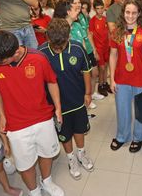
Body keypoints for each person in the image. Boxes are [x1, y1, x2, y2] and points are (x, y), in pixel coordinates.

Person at [0, 30, 64, 196]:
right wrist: (1, 115)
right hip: (15, 125)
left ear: (15, 52)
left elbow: (51, 81)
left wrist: (58, 107)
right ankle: (34, 191)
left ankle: (47, 181)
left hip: (43, 118)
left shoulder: (38, 58)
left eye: (1, 61)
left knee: (47, 153)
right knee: (25, 163)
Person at [39, 18, 95, 180]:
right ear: (48, 38)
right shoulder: (41, 53)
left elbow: (86, 71)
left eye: (61, 47)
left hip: (77, 101)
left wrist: (88, 93)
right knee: (64, 133)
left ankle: (81, 154)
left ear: (68, 37)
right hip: (56, 105)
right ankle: (71, 158)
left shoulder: (77, 48)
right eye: (54, 47)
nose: (57, 50)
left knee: (79, 129)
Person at [109, 0, 142, 153]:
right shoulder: (117, 32)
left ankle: (138, 137)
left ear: (139, 14)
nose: (130, 16)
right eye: (127, 12)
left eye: (134, 12)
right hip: (121, 78)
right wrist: (112, 78)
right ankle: (122, 136)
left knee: (140, 111)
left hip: (141, 78)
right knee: (122, 109)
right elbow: (113, 55)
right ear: (123, 13)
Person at [89, 0, 111, 96]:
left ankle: (105, 83)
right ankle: (100, 85)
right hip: (99, 48)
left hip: (107, 47)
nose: (100, 10)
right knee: (101, 68)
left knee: (106, 66)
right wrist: (94, 50)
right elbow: (90, 36)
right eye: (98, 9)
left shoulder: (106, 19)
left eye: (102, 8)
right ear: (94, 9)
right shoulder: (92, 21)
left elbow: (109, 33)